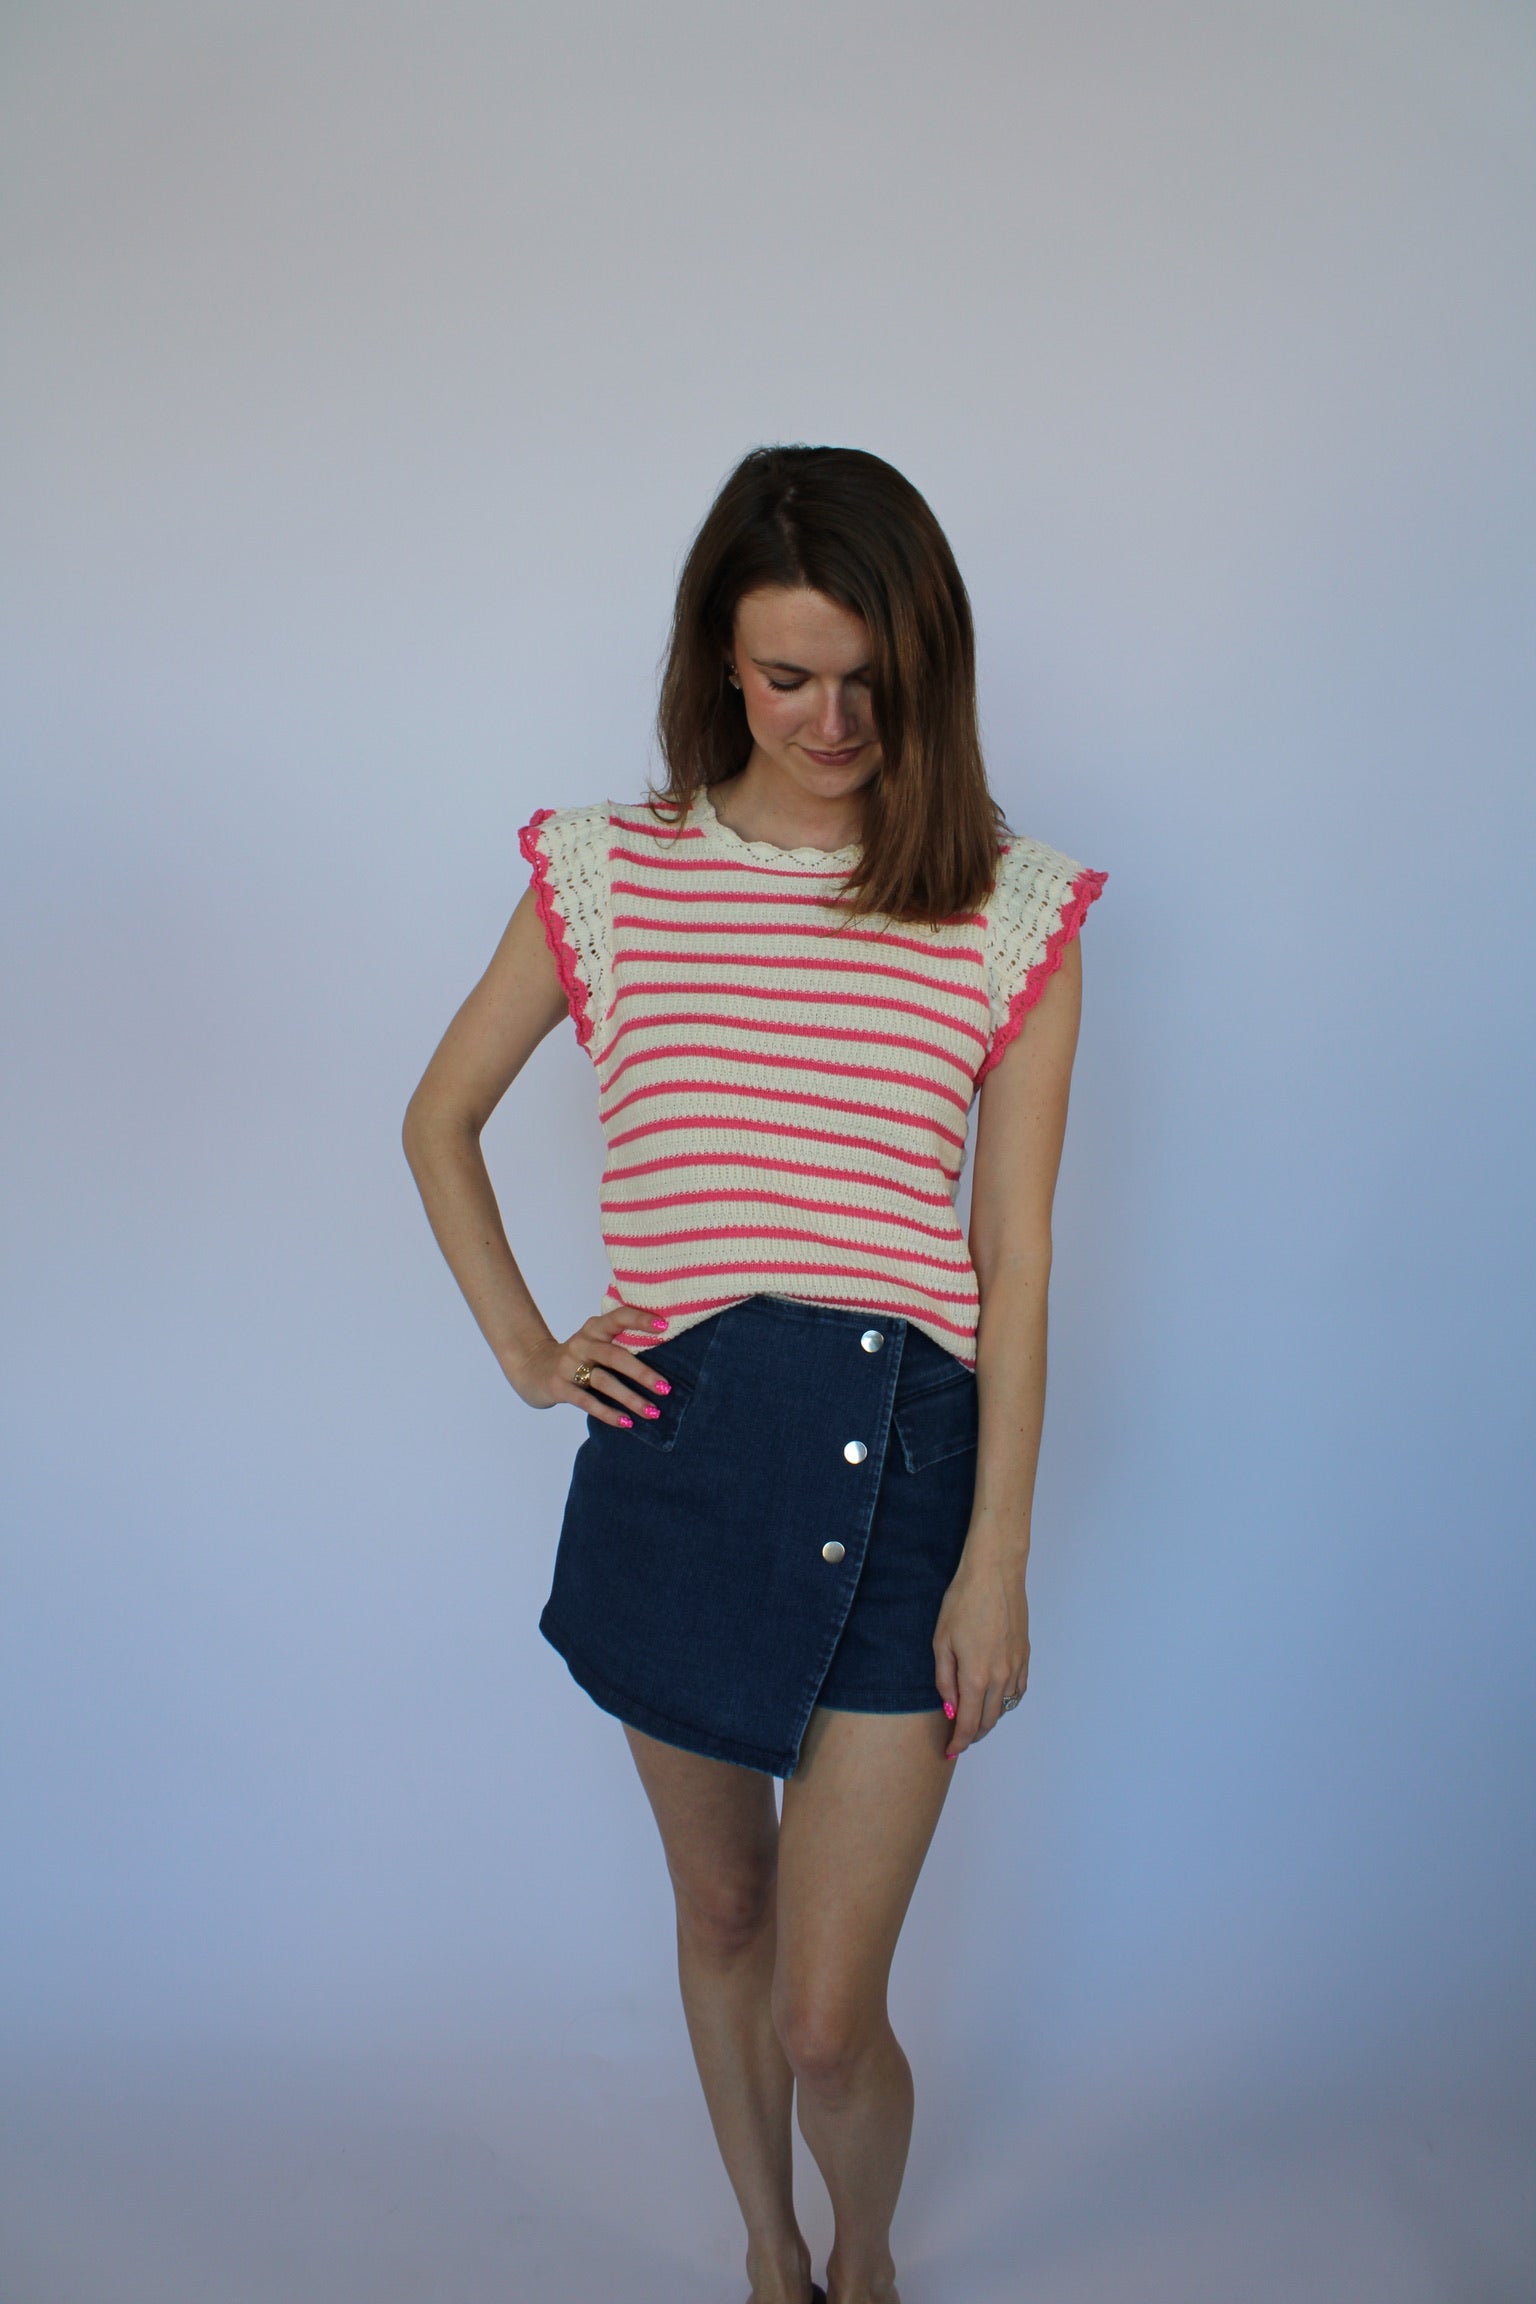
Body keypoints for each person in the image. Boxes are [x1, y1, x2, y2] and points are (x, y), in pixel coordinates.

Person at [402, 444, 1106, 2304]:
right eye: (789, 675)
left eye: (872, 681)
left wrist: (999, 1556)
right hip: (683, 1452)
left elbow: (1018, 1260)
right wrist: (534, 1350)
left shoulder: (1005, 907)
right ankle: (769, 2264)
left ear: (928, 669)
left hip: (906, 1471)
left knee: (821, 2010)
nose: (831, 718)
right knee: (720, 1909)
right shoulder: (612, 876)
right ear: (721, 659)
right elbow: (440, 1119)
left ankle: (866, 2262)